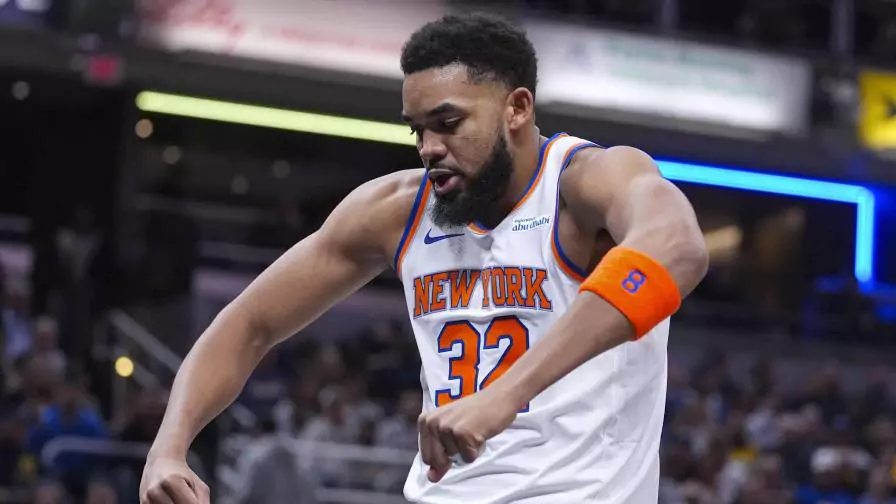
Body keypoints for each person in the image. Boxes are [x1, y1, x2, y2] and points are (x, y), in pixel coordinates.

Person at [139, 12, 708, 504]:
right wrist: (168, 447)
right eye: (418, 130)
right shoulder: (397, 209)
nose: (429, 147)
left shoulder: (585, 182)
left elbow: (678, 248)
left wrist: (506, 394)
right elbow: (249, 323)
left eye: (448, 123)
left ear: (516, 108)